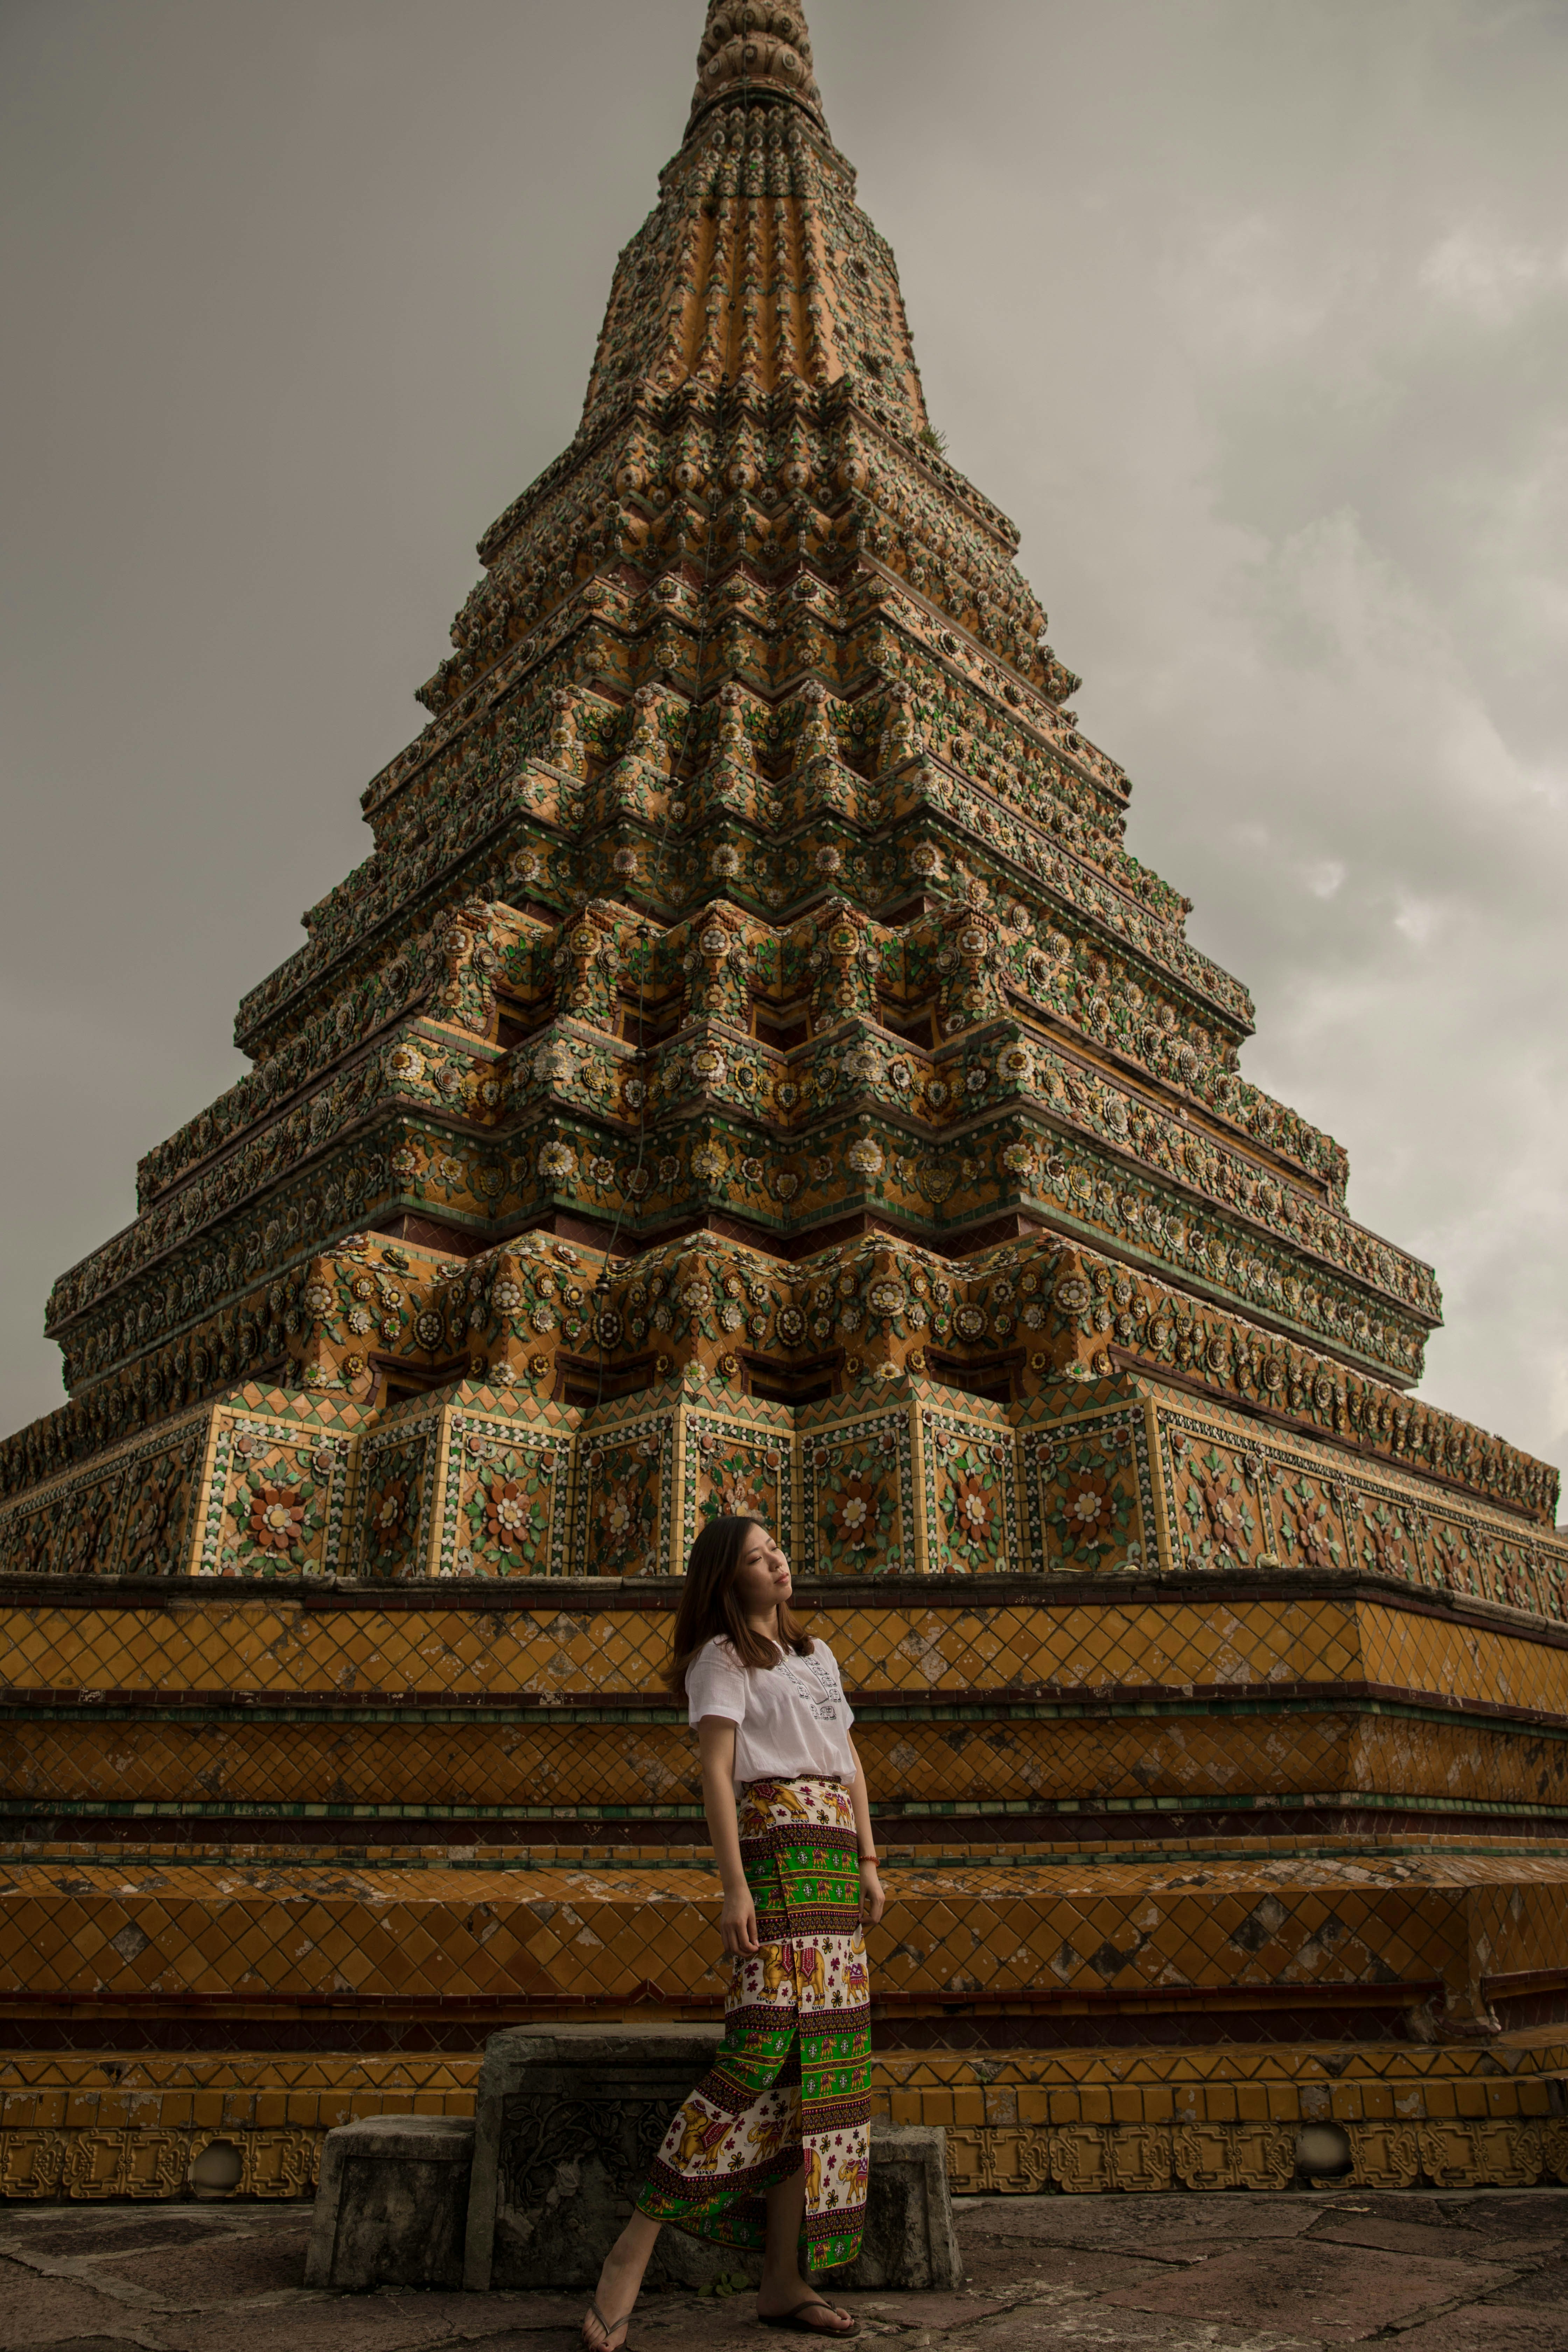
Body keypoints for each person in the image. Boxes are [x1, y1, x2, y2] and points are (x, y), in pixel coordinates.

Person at [582, 1514, 884, 2348]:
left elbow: (850, 1762)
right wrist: (733, 1885)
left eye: (776, 1548)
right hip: (776, 1848)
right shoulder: (721, 1661)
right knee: (757, 2053)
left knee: (816, 2069)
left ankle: (784, 2282)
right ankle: (632, 2251)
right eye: (756, 1557)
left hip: (832, 1859)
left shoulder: (815, 1655)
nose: (776, 1561)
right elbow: (715, 1773)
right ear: (728, 1580)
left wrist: (867, 1859)